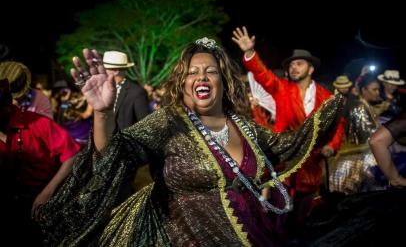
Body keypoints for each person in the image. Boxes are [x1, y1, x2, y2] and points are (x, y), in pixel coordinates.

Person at [38, 38, 344, 246]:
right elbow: (115, 155)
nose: (202, 77)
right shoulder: (167, 122)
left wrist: (331, 111)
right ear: (182, 82)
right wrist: (102, 113)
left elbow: (287, 145)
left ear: (223, 82)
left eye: (210, 71)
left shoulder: (245, 126)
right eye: (192, 72)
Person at [232, 26, 344, 237]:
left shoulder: (325, 96)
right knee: (277, 212)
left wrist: (331, 145)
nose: (293, 67)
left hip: (310, 165)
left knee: (301, 217)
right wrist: (249, 52)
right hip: (282, 164)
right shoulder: (281, 88)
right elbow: (262, 74)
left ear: (310, 69)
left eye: (299, 64)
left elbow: (338, 124)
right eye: (291, 64)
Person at [0, 79, 80, 246]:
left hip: (41, 210)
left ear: (7, 104)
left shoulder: (39, 123)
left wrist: (48, 192)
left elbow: (72, 154)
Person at [101, 50, 150, 130]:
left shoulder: (136, 92)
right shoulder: (102, 90)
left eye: (104, 69)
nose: (101, 72)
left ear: (115, 71)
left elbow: (144, 125)